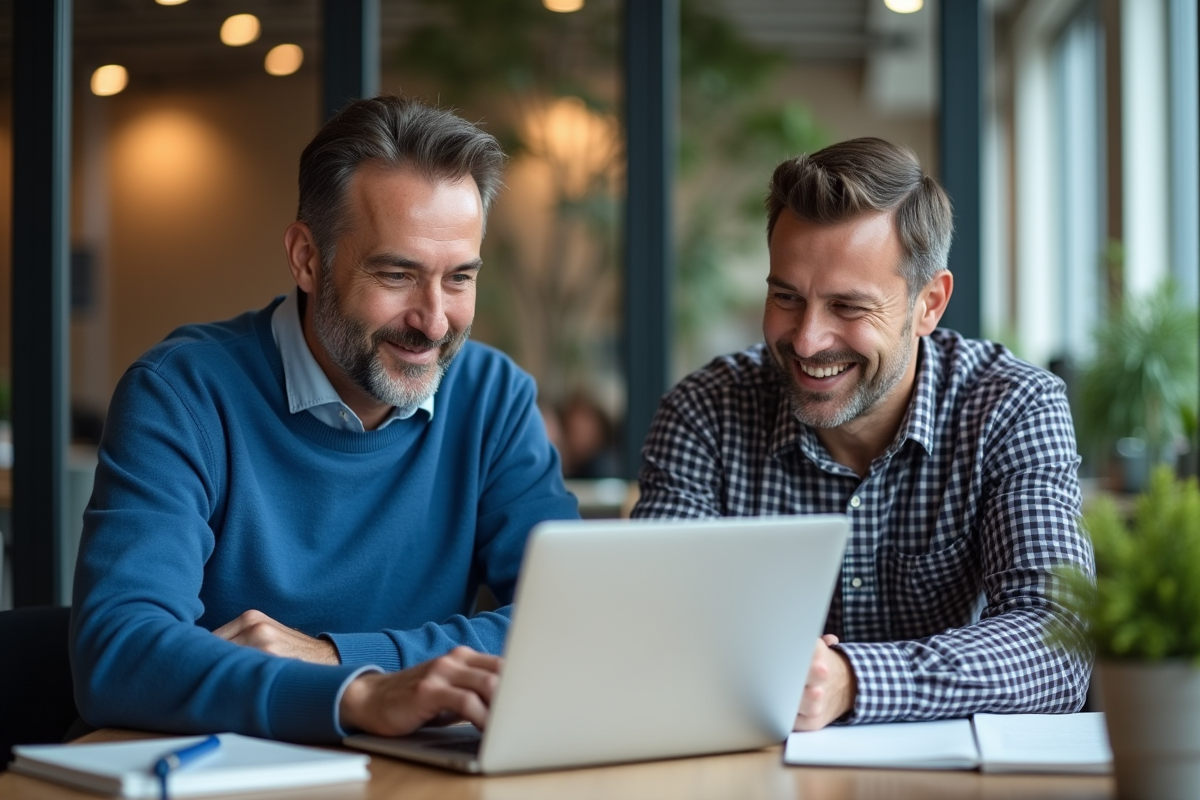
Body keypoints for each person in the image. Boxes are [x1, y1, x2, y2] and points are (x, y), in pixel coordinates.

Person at [70, 95, 579, 743]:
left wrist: (341, 661)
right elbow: (117, 653)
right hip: (214, 768)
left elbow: (569, 622)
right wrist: (360, 696)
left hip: (406, 770)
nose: (433, 321)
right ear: (307, 258)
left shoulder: (494, 397)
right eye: (397, 274)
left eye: (459, 278)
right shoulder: (183, 393)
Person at [631, 138, 1093, 731]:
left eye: (848, 307)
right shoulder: (705, 412)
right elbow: (648, 631)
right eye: (786, 298)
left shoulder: (1011, 407)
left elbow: (1058, 647)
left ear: (929, 304)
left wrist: (852, 680)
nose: (806, 340)